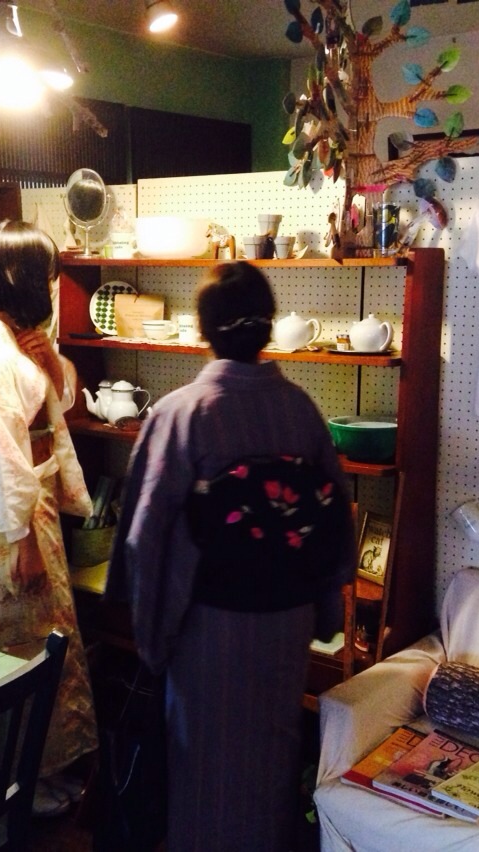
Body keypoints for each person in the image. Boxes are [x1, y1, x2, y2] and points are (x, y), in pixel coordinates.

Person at [108, 261, 356, 851]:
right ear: (267, 326)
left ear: (204, 329)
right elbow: (332, 518)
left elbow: (145, 537)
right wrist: (324, 614)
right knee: (269, 759)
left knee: (205, 770)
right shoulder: (299, 409)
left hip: (209, 626)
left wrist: (151, 636)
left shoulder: (182, 413)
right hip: (287, 623)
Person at [0, 220, 97, 816]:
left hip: (30, 512)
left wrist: (53, 365)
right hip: (16, 525)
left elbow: (52, 407)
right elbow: (6, 454)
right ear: (25, 280)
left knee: (47, 644)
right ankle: (16, 784)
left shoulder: (10, 340)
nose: (53, 289)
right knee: (20, 650)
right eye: (49, 278)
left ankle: (39, 773)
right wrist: (23, 541)